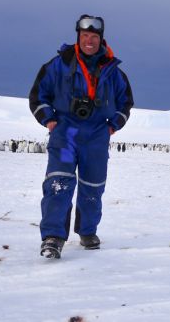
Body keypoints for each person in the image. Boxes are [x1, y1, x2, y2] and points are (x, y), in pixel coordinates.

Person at [29, 14, 134, 259]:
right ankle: (53, 237)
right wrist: (50, 119)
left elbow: (125, 102)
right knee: (59, 183)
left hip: (97, 134)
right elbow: (37, 95)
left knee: (93, 187)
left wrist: (113, 125)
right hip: (67, 132)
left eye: (94, 36)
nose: (89, 40)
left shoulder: (113, 71)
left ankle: (87, 231)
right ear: (78, 37)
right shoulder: (59, 64)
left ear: (101, 39)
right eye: (85, 36)